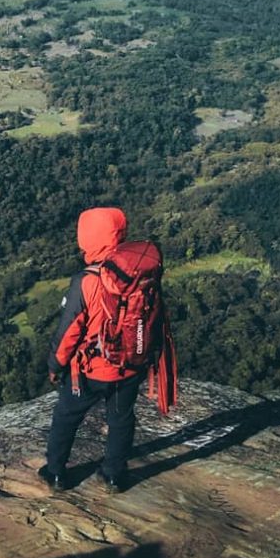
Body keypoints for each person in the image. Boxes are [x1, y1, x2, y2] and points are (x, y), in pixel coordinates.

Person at [39, 206, 175, 494]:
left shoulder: (87, 281)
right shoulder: (139, 271)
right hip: (129, 366)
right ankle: (114, 475)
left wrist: (55, 365)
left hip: (91, 370)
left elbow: (69, 332)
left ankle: (56, 473)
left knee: (66, 416)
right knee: (121, 418)